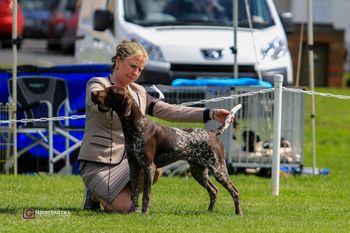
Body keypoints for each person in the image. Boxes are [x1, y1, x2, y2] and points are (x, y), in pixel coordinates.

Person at [78, 39, 234, 213]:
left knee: (155, 169)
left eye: (140, 69)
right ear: (118, 61)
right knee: (123, 208)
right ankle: (95, 192)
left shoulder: (137, 92)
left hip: (125, 161)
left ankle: (106, 195)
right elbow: (97, 106)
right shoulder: (98, 84)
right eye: (132, 66)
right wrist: (110, 101)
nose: (135, 73)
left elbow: (169, 111)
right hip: (98, 161)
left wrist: (210, 113)